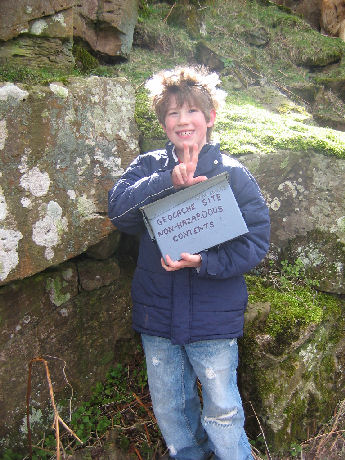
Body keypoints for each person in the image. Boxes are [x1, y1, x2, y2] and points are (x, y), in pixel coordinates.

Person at [108, 66, 270, 460]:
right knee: (171, 407)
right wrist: (168, 181)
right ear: (163, 122)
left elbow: (256, 243)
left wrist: (205, 262)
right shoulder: (148, 167)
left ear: (210, 117)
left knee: (223, 410)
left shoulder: (232, 174)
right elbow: (119, 214)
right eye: (172, 113)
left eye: (192, 111)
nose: (182, 120)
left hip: (213, 318)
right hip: (157, 316)